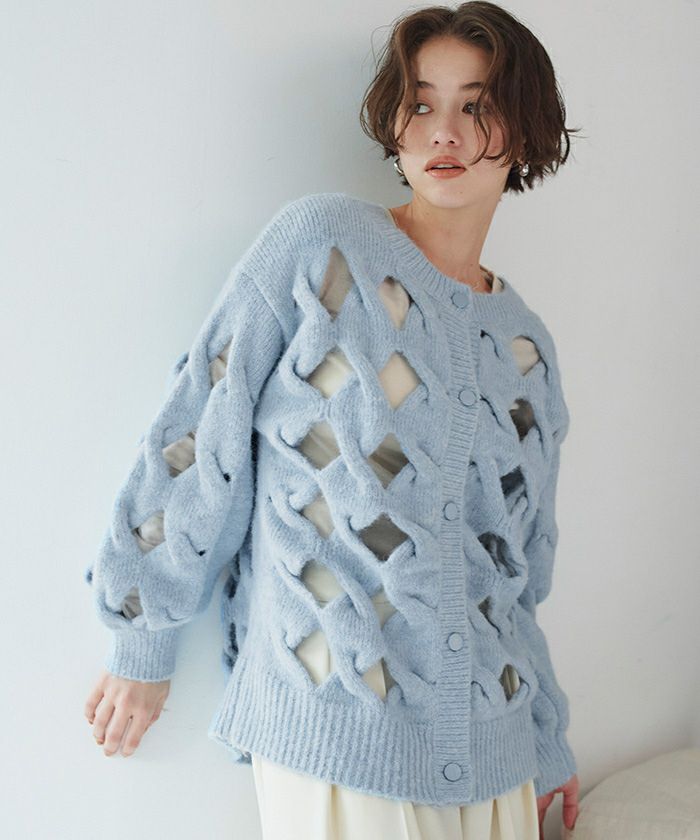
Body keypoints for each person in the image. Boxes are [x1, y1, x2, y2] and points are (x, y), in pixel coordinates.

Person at [84, 2, 582, 838]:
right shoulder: (322, 250)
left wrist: (544, 738)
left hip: (496, 757)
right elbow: (202, 425)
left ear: (527, 129)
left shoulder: (525, 348)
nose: (444, 132)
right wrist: (143, 635)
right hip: (337, 727)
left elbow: (509, 573)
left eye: (478, 105)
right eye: (421, 104)